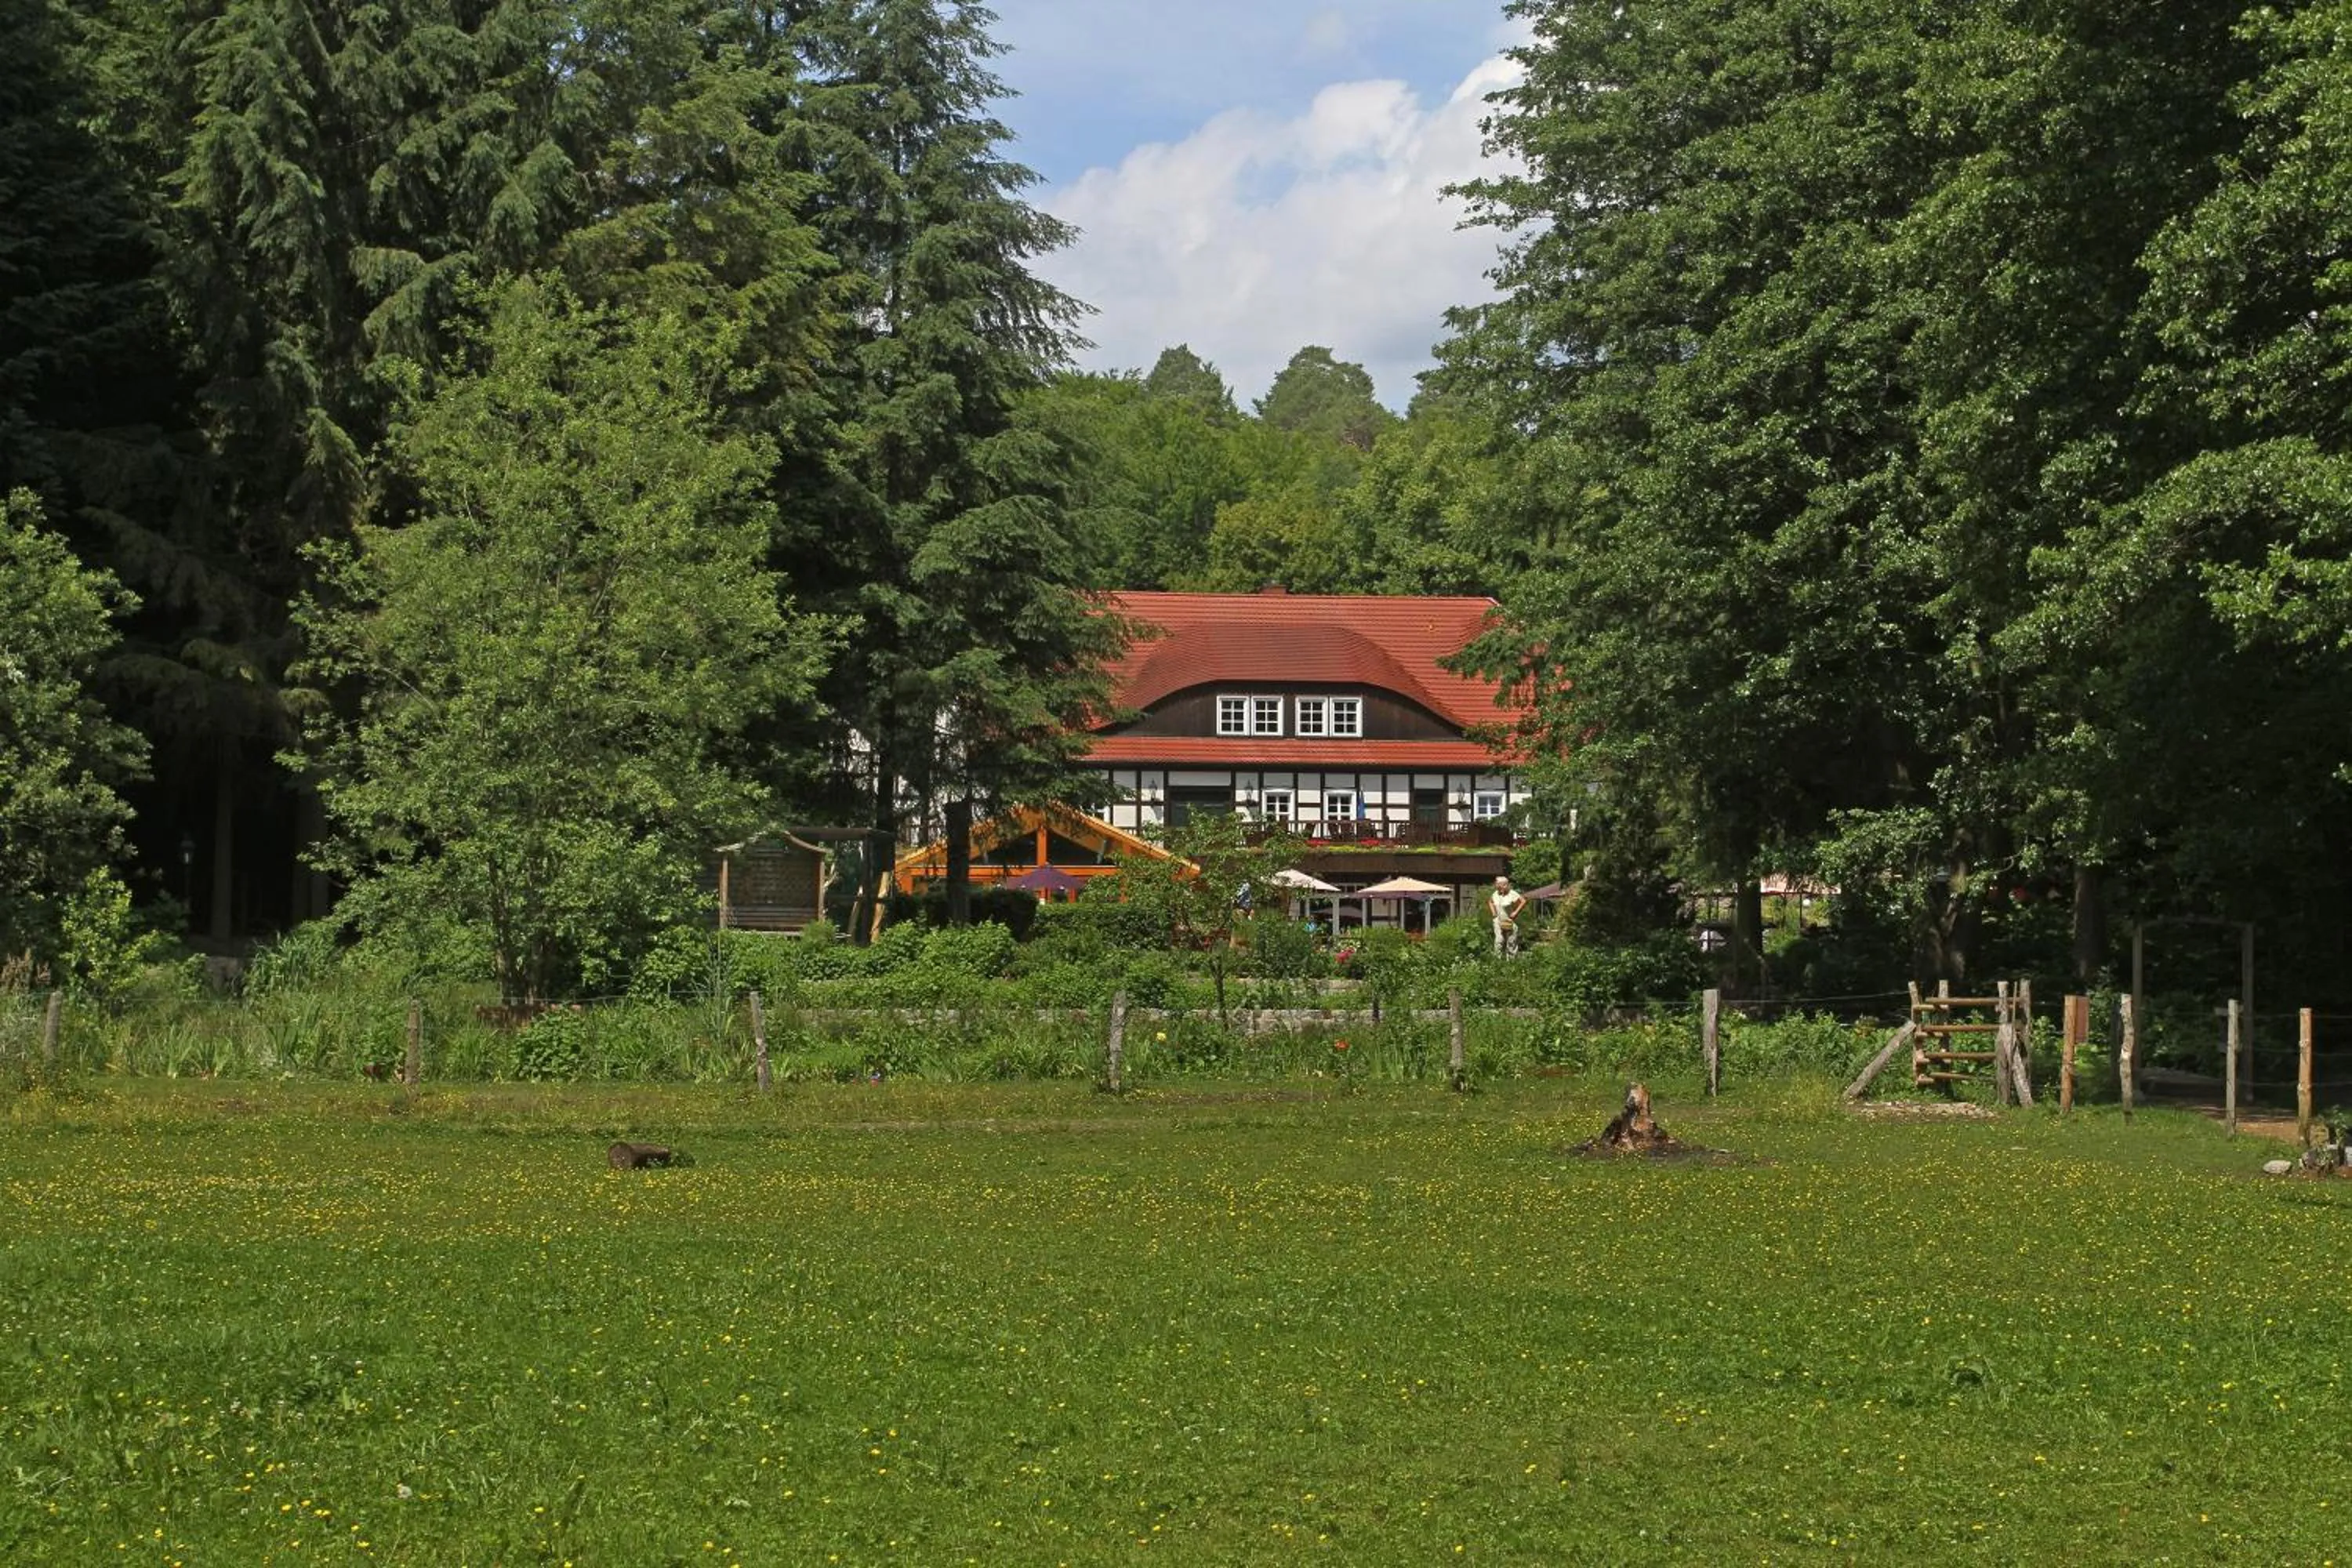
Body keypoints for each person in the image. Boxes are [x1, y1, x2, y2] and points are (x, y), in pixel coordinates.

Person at [1488, 874, 1526, 957]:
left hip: (1509, 921)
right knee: (1499, 941)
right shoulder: (1495, 894)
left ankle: (1511, 963)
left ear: (1504, 885)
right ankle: (1497, 961)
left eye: (1498, 885)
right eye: (1496, 884)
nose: (1496, 886)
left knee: (1511, 942)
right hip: (1498, 921)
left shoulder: (1512, 893)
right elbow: (1490, 902)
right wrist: (1493, 913)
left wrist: (1516, 912)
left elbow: (1523, 901)